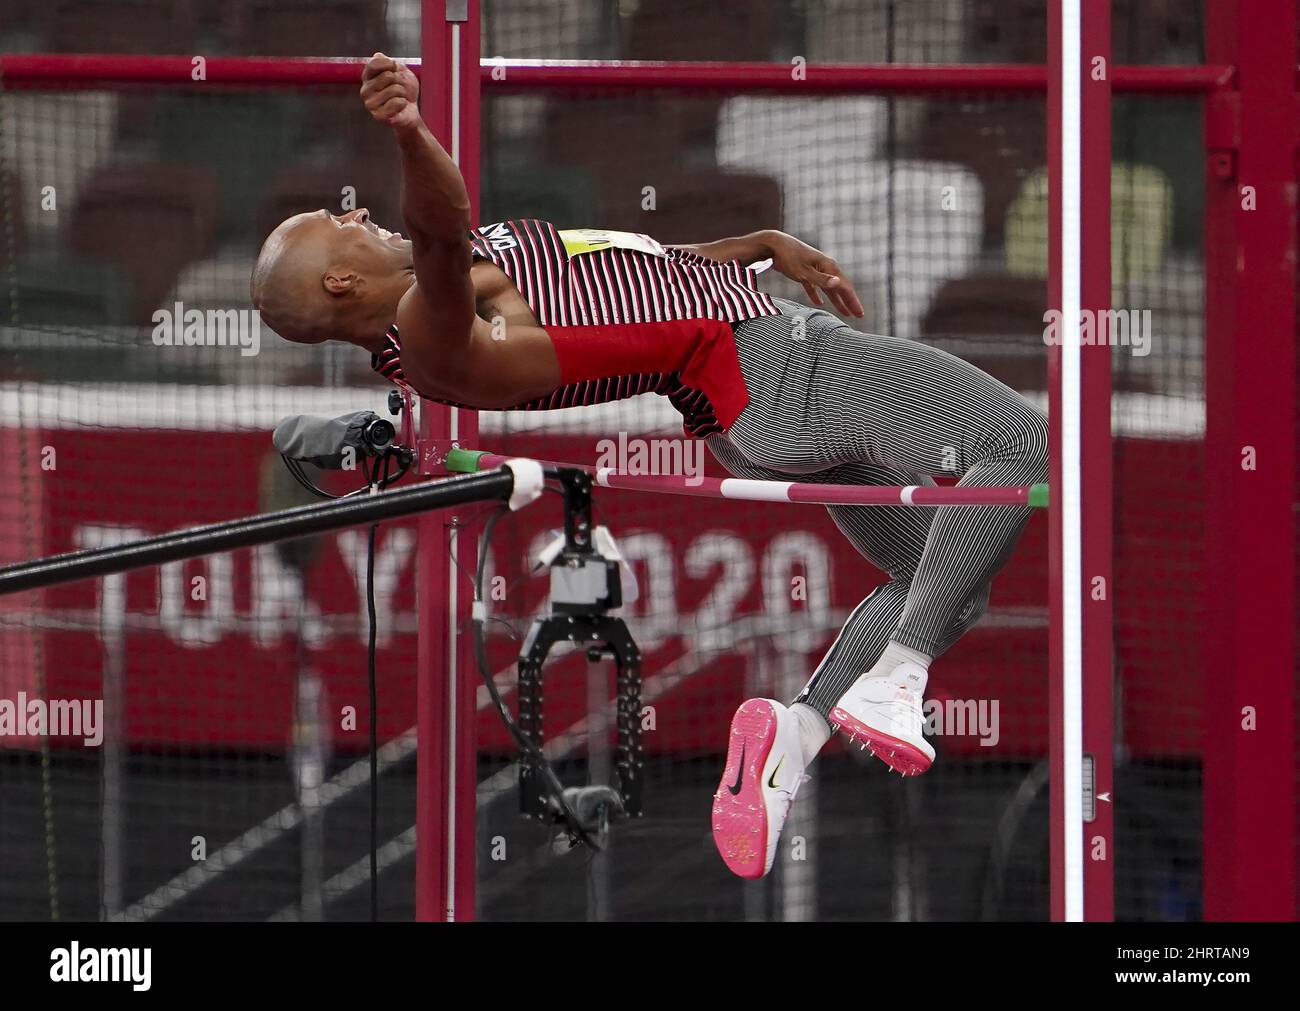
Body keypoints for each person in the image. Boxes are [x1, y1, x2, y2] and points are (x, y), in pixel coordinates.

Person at [252, 54, 1048, 881]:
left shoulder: (443, 305)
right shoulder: (428, 325)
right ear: (341, 281)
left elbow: (600, 274)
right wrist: (410, 129)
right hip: (768, 367)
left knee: (942, 571)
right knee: (1025, 446)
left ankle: (797, 738)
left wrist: (744, 251)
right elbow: (440, 222)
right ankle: (899, 675)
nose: (360, 216)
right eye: (338, 223)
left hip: (743, 394)